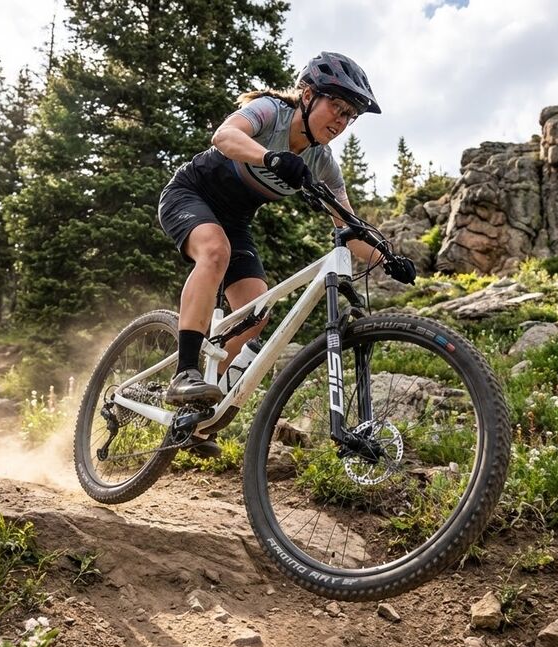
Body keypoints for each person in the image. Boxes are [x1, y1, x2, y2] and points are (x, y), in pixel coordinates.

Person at [158, 51, 417, 418]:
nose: (341, 121)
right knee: (215, 251)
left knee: (256, 311)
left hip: (235, 222)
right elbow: (225, 136)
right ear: (308, 95)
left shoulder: (323, 163)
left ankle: (198, 410)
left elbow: (348, 225)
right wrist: (271, 157)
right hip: (190, 194)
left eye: (349, 115)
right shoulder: (271, 112)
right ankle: (185, 372)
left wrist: (387, 258)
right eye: (337, 107)